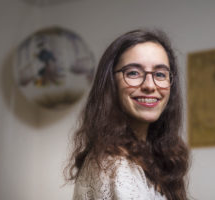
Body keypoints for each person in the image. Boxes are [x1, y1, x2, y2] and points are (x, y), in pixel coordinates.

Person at [65, 29, 190, 200]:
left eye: (160, 74)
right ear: (111, 83)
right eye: (133, 73)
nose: (149, 85)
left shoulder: (153, 155)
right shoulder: (113, 167)